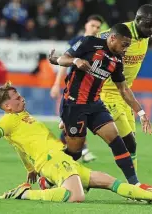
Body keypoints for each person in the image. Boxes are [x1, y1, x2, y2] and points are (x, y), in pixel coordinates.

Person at [0, 82, 152, 205]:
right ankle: (24, 195)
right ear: (7, 106)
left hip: (63, 159)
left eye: (19, 94)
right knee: (76, 196)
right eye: (16, 97)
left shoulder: (23, 119)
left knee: (110, 181)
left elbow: (19, 146)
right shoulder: (8, 121)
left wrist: (29, 169)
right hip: (53, 162)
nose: (21, 98)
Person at [49, 23, 152, 191]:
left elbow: (123, 89)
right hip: (74, 105)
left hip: (95, 105)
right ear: (113, 38)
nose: (125, 50)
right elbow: (63, 59)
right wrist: (76, 60)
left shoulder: (117, 59)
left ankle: (136, 185)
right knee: (75, 152)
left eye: (128, 47)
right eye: (124, 45)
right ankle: (48, 177)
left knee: (117, 141)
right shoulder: (89, 43)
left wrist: (141, 112)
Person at [97, 4, 152, 173]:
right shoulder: (122, 34)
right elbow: (98, 39)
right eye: (147, 25)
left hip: (126, 94)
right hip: (108, 93)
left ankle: (134, 186)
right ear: (137, 20)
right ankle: (134, 185)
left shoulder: (147, 31)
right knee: (129, 142)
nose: (150, 30)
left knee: (132, 146)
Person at [50, 14, 104, 163]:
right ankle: (83, 150)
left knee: (72, 122)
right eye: (92, 25)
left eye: (98, 27)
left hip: (88, 89)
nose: (95, 29)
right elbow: (63, 63)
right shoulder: (77, 42)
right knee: (76, 119)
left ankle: (60, 151)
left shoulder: (100, 44)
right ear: (86, 25)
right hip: (74, 88)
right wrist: (56, 84)